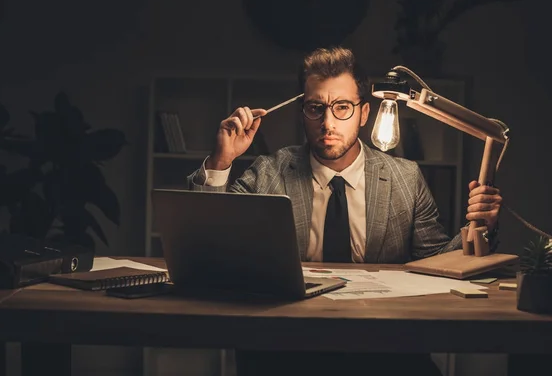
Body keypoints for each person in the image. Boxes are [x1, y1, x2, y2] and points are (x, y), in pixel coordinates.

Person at [186, 47, 502, 376]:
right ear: (301, 112)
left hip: (382, 347)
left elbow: (434, 260)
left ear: (364, 113)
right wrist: (221, 162)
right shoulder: (269, 171)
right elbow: (208, 241)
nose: (328, 122)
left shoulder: (405, 178)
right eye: (315, 108)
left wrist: (480, 226)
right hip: (287, 348)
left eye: (342, 108)